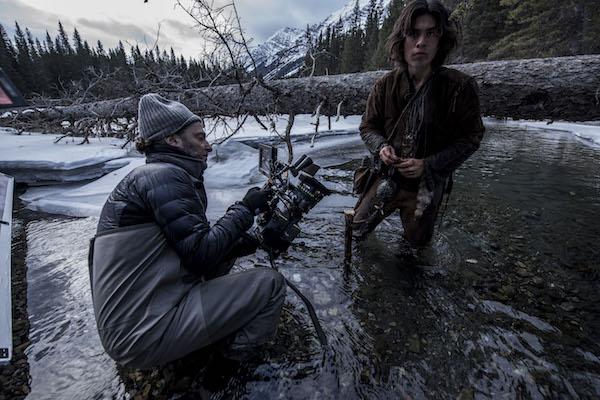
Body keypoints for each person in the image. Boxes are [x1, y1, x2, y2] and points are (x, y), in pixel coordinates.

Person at [88, 93, 286, 369]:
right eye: (200, 137)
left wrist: (243, 243)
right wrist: (245, 209)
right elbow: (200, 255)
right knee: (271, 284)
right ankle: (235, 366)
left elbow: (183, 249)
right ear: (173, 140)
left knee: (225, 257)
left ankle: (202, 341)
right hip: (140, 336)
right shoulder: (164, 176)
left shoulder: (153, 175)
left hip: (133, 324)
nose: (208, 145)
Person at [352, 0, 485, 256]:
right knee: (355, 230)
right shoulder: (384, 85)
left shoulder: (460, 87)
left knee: (415, 250)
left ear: (440, 39)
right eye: (413, 34)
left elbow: (471, 138)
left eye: (430, 33)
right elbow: (368, 126)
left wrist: (430, 164)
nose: (421, 42)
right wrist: (381, 147)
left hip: (427, 184)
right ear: (402, 40)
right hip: (385, 176)